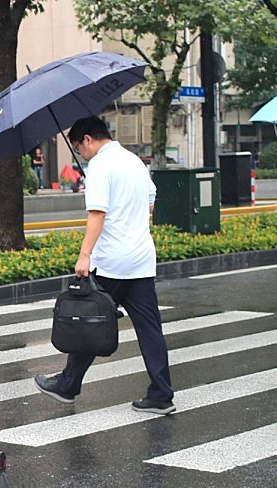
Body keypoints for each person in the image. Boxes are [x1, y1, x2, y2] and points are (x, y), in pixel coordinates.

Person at [34, 116, 175, 414]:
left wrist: (84, 255)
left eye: (78, 147)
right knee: (150, 329)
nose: (81, 154)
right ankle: (161, 393)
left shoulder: (99, 165)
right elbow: (151, 199)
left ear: (87, 139)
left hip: (112, 261)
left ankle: (68, 385)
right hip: (141, 258)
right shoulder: (134, 161)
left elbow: (97, 214)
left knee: (88, 320)